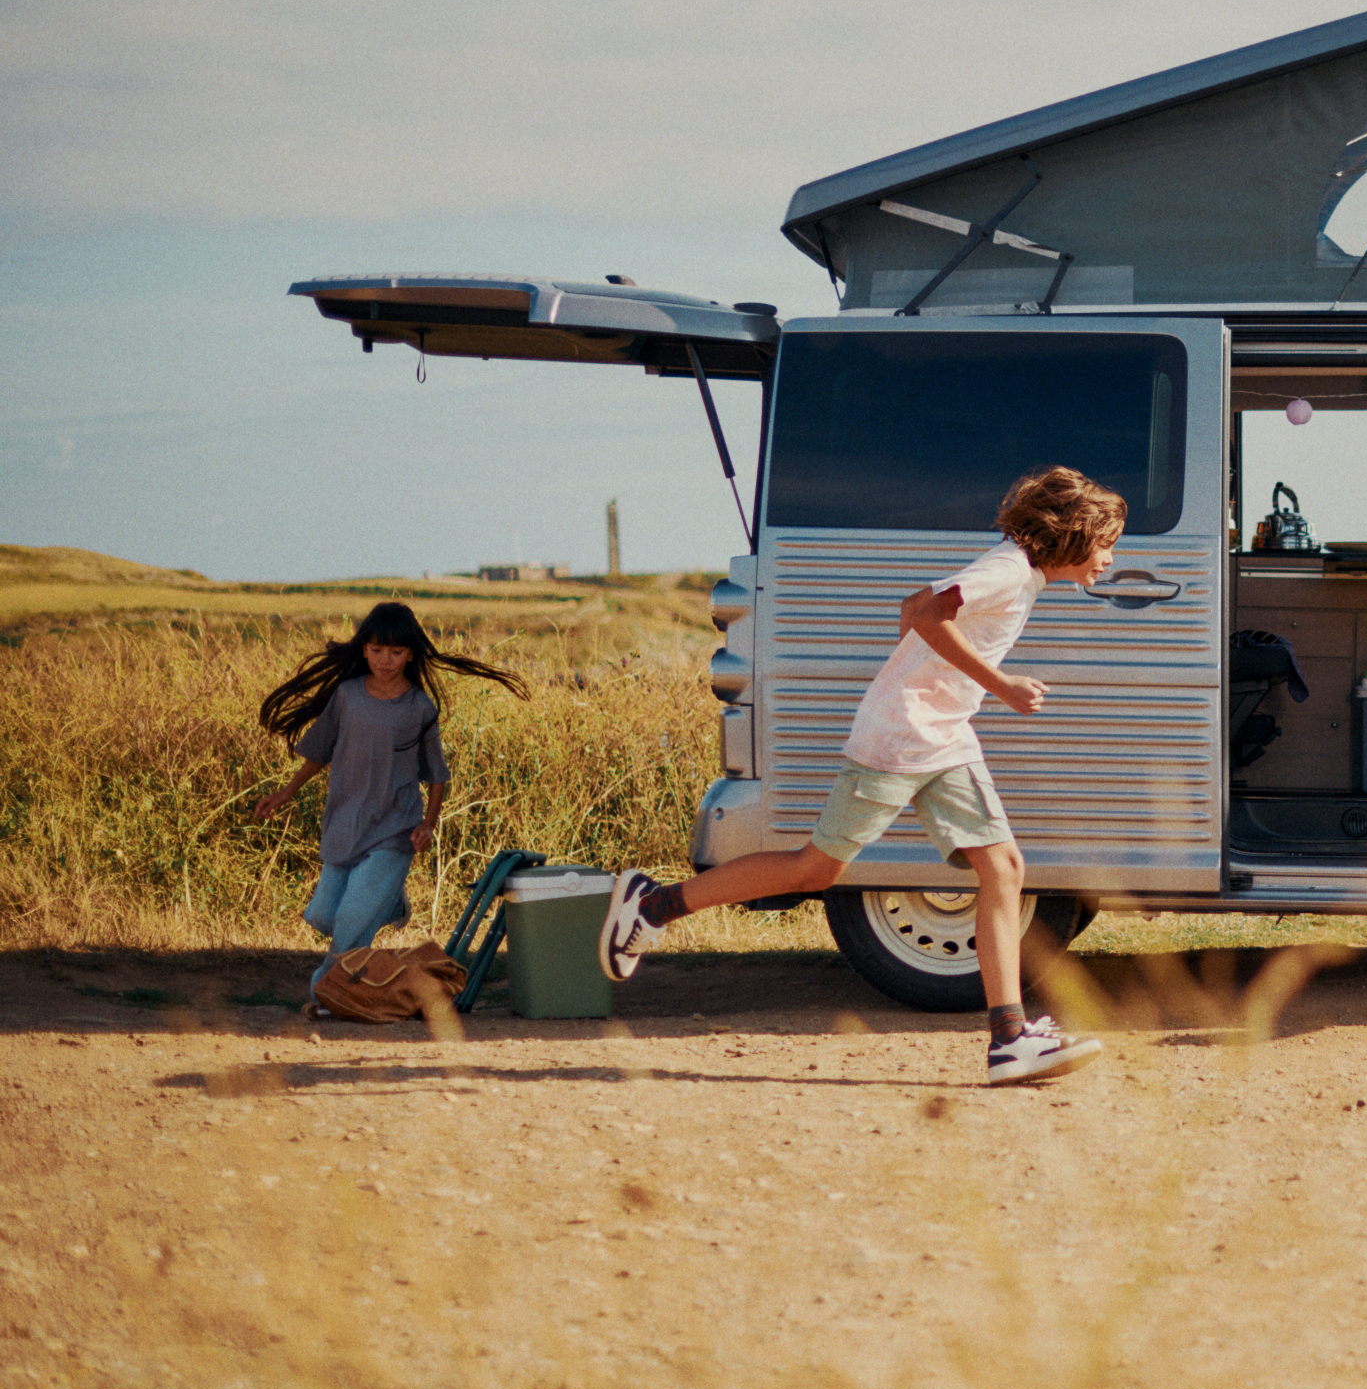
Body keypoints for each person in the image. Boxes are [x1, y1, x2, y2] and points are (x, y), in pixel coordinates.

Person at [600, 465, 1120, 1087]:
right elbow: (928, 615)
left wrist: (923, 676)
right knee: (814, 869)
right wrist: (997, 684)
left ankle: (1010, 1038)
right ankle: (653, 905)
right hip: (900, 739)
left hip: (940, 736)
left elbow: (911, 607)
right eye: (1106, 544)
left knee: (1003, 868)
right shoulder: (1008, 571)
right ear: (1073, 533)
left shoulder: (1015, 569)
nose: (1109, 560)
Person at [253, 601, 529, 1004]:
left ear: (411, 654)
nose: (385, 660)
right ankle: (392, 903)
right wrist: (286, 792)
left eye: (396, 652)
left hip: (395, 828)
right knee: (323, 917)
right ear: (364, 649)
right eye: (378, 650)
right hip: (345, 824)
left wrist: (429, 823)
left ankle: (325, 990)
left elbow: (436, 774)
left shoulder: (419, 708)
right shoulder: (347, 696)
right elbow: (319, 751)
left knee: (349, 924)